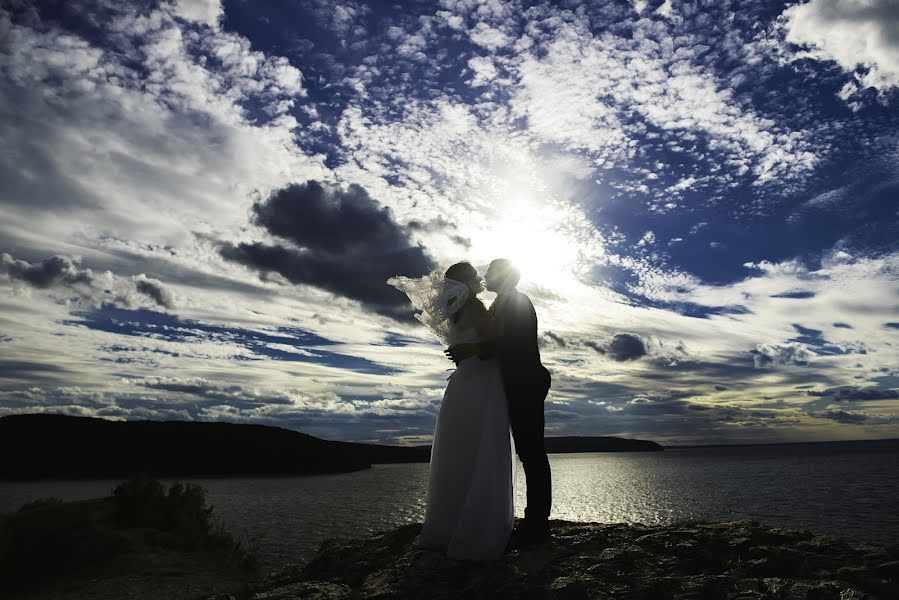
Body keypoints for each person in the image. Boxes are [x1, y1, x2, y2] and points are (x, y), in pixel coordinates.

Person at [387, 262, 516, 560]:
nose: (479, 279)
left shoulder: (454, 309)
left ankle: (451, 523)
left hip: (463, 381)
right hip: (482, 379)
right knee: (484, 446)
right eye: (473, 275)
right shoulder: (472, 306)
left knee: (462, 449)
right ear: (466, 282)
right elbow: (495, 338)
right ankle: (480, 528)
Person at [447, 259, 552, 547]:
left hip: (526, 382)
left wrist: (474, 349)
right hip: (515, 383)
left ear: (503, 277)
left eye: (491, 272)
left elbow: (514, 344)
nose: (485, 276)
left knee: (532, 454)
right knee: (528, 453)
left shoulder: (518, 302)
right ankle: (532, 522)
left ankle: (537, 525)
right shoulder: (502, 303)